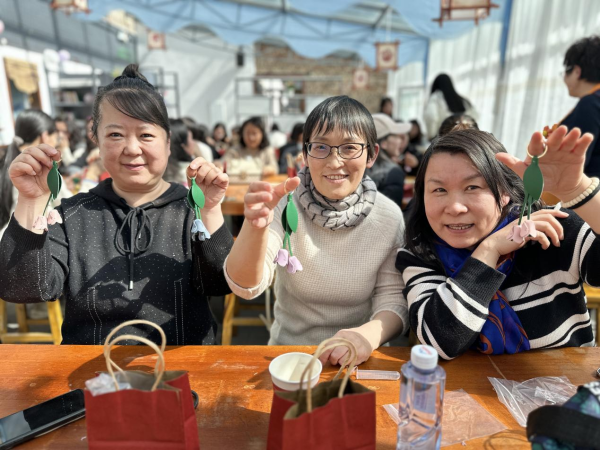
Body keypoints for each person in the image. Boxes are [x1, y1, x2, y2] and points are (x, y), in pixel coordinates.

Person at [0, 64, 233, 346]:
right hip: (90, 368)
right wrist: (31, 200)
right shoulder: (72, 215)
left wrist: (209, 210)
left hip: (181, 366)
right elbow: (23, 289)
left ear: (168, 142)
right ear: (96, 141)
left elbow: (220, 282)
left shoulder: (190, 211)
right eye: (115, 135)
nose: (132, 149)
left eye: (146, 135)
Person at [224, 96, 408, 366]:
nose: (334, 161)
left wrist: (365, 337)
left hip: (358, 358)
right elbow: (246, 286)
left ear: (372, 154)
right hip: (290, 355)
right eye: (321, 147)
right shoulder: (284, 203)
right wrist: (254, 228)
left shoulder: (388, 217)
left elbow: (393, 299)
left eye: (349, 148)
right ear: (305, 154)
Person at [396, 126, 599, 359]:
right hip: (468, 383)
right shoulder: (422, 253)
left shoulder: (550, 228)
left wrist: (577, 190)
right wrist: (489, 249)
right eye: (439, 189)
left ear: (504, 192)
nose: (454, 208)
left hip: (567, 379)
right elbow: (441, 342)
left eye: (472, 187)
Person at [0, 109, 70, 240]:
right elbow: (69, 206)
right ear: (45, 136)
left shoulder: (8, 162)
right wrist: (91, 176)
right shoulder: (38, 170)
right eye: (56, 138)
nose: (57, 144)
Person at [561, 35, 600, 178]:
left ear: (577, 71)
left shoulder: (590, 104)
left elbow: (576, 163)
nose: (564, 78)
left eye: (566, 71)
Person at [366, 113, 409, 208]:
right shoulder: (393, 173)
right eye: (396, 136)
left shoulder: (359, 166)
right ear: (384, 143)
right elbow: (391, 212)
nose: (400, 141)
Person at [424, 74, 477, 141]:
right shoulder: (463, 100)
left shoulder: (435, 98)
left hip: (444, 139)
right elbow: (474, 116)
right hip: (465, 139)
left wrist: (431, 135)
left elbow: (431, 117)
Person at [164, 119, 194, 185]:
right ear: (183, 145)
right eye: (191, 138)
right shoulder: (191, 173)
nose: (193, 143)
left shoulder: (161, 171)